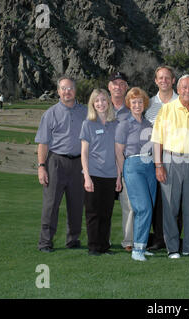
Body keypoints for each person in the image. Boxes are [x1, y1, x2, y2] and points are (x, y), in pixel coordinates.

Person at [151, 74, 189, 260]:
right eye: (184, 87)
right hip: (171, 161)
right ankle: (173, 248)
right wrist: (158, 165)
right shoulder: (167, 109)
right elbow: (157, 140)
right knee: (170, 207)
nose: (187, 91)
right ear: (178, 90)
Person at [35, 76, 87, 252]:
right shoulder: (50, 113)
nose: (67, 91)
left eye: (70, 88)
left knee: (76, 204)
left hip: (79, 163)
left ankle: (73, 240)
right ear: (58, 91)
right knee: (51, 205)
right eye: (63, 88)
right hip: (56, 162)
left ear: (75, 90)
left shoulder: (86, 112)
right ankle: (45, 242)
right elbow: (43, 143)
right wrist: (41, 167)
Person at [116, 87, 157, 261]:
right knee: (143, 207)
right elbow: (118, 152)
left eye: (140, 101)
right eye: (134, 102)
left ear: (145, 103)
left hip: (150, 166)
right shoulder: (124, 124)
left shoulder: (149, 125)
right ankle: (136, 250)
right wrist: (121, 174)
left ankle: (142, 245)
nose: (137, 105)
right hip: (132, 165)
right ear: (129, 104)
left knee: (150, 207)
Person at [144, 65, 182, 251]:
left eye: (167, 77)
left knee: (177, 201)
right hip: (154, 159)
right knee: (158, 201)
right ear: (156, 81)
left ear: (173, 80)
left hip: (177, 158)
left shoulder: (182, 102)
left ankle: (175, 238)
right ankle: (159, 238)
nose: (164, 81)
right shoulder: (149, 104)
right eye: (160, 78)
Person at [80, 89, 121, 256]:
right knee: (93, 213)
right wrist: (87, 177)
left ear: (108, 103)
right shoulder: (88, 124)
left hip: (111, 175)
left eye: (103, 100)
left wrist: (119, 176)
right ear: (92, 104)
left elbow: (119, 153)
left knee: (106, 213)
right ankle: (94, 247)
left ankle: (104, 246)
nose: (100, 104)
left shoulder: (115, 124)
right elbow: (84, 152)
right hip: (94, 175)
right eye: (97, 101)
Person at [107, 71, 134, 252]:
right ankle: (103, 240)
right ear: (109, 87)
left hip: (125, 164)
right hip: (102, 166)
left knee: (129, 205)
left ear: (126, 87)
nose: (118, 86)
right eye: (114, 83)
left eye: (122, 83)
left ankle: (128, 241)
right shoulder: (100, 107)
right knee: (104, 207)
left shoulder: (132, 110)